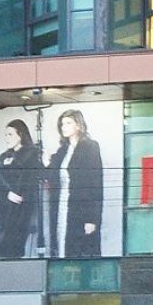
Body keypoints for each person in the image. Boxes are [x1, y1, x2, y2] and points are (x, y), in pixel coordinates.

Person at [46, 109, 103, 257]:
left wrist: (92, 219)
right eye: (62, 124)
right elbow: (51, 178)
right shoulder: (62, 151)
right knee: (61, 245)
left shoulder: (90, 147)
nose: (64, 127)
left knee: (80, 248)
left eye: (68, 123)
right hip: (61, 206)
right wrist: (47, 163)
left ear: (78, 125)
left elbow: (95, 184)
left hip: (80, 209)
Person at [0, 119, 42, 259]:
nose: (6, 138)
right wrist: (6, 195)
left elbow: (26, 183)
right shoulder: (4, 157)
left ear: (21, 135)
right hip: (0, 213)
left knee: (12, 252)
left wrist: (8, 168)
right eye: (5, 135)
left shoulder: (31, 156)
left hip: (18, 214)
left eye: (10, 134)